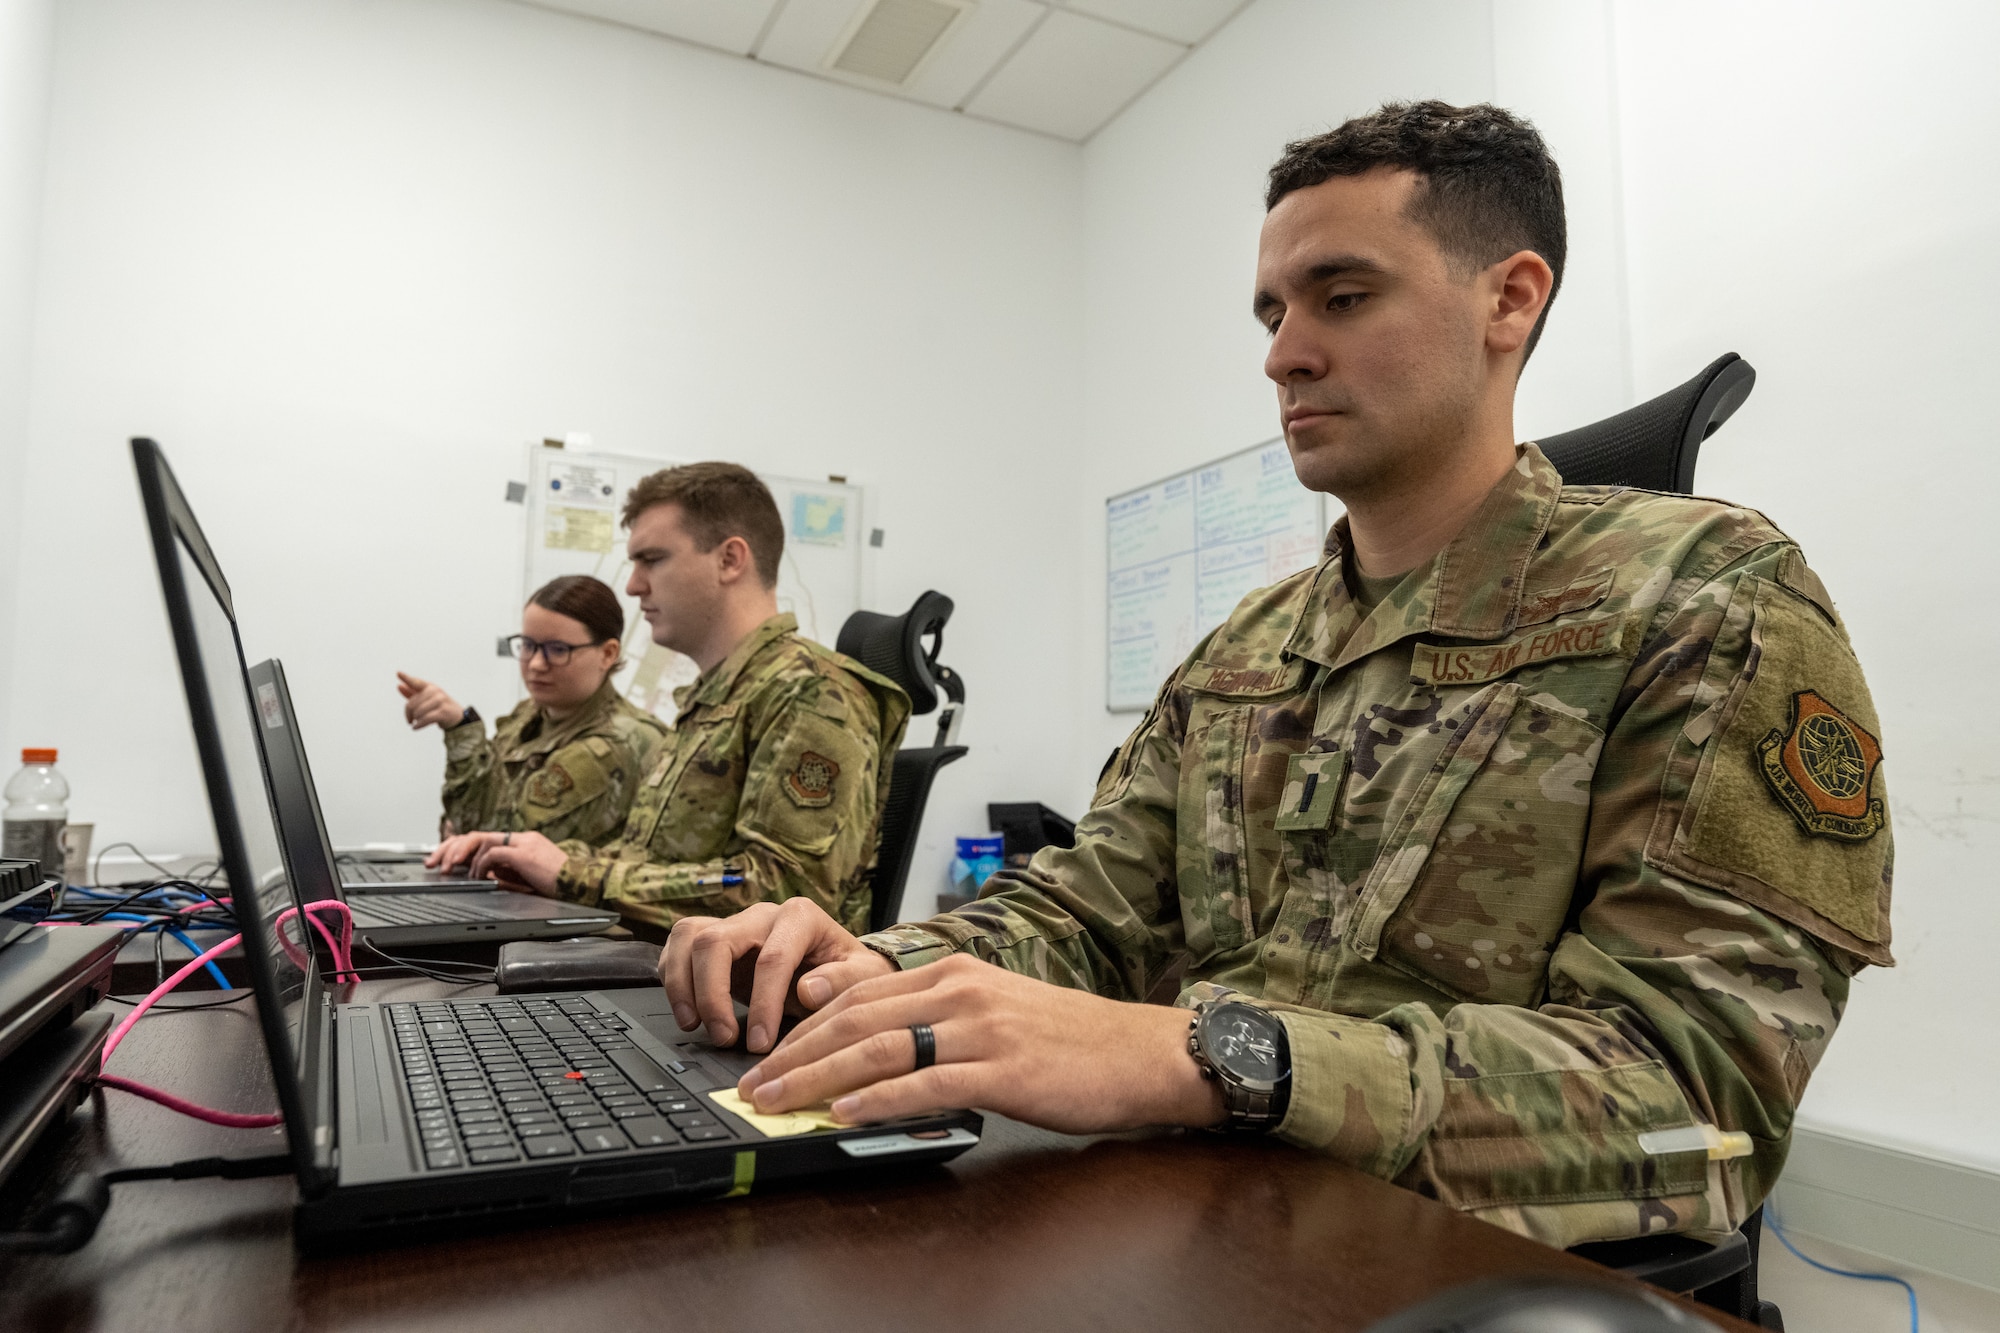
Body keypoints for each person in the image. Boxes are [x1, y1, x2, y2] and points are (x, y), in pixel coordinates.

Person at [654, 102, 1893, 1250]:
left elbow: (1696, 1102)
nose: (1283, 357)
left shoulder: (1706, 597)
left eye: (1341, 297)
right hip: (1208, 1222)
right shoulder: (1249, 645)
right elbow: (1085, 919)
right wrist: (873, 968)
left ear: (1507, 299)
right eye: (1269, 315)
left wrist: (1206, 1053)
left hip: (1442, 1262)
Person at [429, 463, 911, 937]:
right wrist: (535, 855)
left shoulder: (812, 693)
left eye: (652, 560)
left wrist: (573, 876)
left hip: (745, 1003)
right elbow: (654, 862)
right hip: (668, 970)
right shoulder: (714, 697)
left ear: (729, 560)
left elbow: (786, 895)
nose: (634, 584)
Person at [398, 575, 667, 847]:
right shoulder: (529, 714)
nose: (537, 664)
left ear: (607, 654)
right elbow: (462, 822)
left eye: (558, 649)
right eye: (528, 646)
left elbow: (503, 842)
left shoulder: (618, 742)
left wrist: (463, 731)